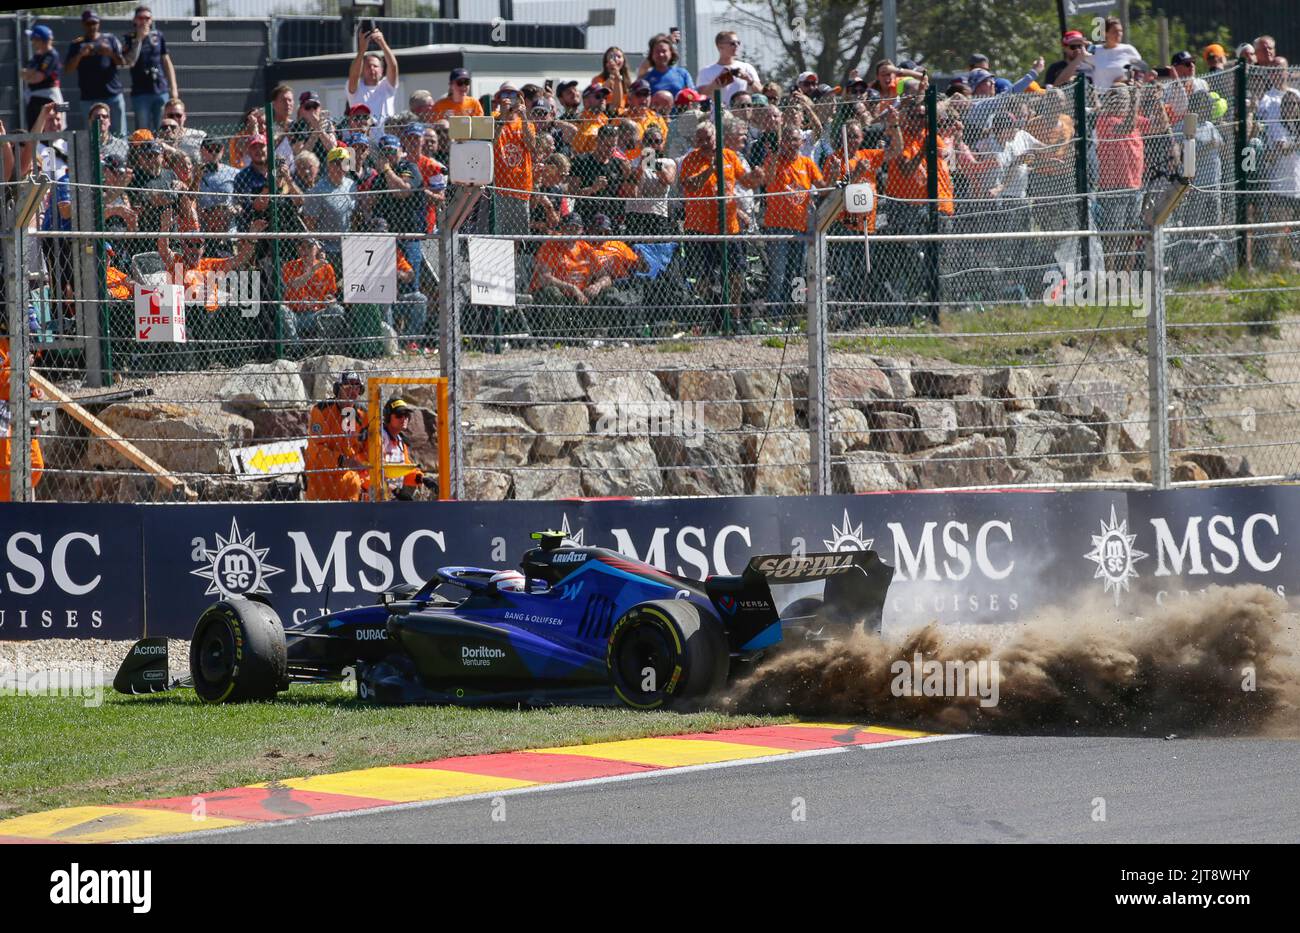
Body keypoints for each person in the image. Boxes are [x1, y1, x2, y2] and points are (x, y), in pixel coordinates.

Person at [760, 123, 822, 320]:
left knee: (797, 272)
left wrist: (835, 175)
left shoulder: (807, 163)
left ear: (802, 142)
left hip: (801, 227)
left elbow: (823, 186)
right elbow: (767, 180)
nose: (792, 144)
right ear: (782, 142)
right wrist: (775, 156)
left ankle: (794, 313)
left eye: (796, 140)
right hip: (777, 226)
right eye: (788, 140)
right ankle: (775, 315)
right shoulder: (773, 160)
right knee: (778, 273)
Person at [305, 370, 369, 501]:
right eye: (348, 386)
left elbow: (367, 448)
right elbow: (316, 450)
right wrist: (342, 461)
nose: (353, 391)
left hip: (350, 485)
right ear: (337, 389)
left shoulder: (362, 414)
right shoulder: (321, 410)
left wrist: (361, 464)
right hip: (322, 484)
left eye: (357, 387)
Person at [66, 9, 126, 134]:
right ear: (83, 24)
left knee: (119, 132)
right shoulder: (77, 44)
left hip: (112, 94)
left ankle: (119, 154)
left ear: (99, 23)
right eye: (89, 23)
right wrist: (80, 55)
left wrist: (109, 52)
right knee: (92, 134)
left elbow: (122, 63)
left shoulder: (110, 39)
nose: (92, 26)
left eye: (95, 23)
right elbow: (68, 70)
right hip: (89, 97)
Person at [0, 336, 45, 502]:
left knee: (36, 465)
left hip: (20, 408)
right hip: (3, 407)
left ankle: (14, 502)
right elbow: (4, 379)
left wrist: (32, 389)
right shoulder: (2, 345)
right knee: (4, 465)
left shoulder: (22, 344)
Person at [121, 5, 177, 133]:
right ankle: (143, 153)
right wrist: (139, 39)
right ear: (135, 20)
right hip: (141, 92)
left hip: (160, 89)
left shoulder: (158, 36)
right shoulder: (129, 38)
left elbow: (167, 61)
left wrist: (173, 88)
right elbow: (129, 62)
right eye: (141, 18)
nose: (144, 21)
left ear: (151, 20)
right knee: (143, 130)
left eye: (147, 18)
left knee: (163, 128)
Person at [369, 398, 436, 500]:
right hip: (376, 497)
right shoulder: (380, 437)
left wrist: (422, 478)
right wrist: (396, 491)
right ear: (387, 417)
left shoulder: (400, 441)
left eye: (406, 415)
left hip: (391, 496)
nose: (404, 418)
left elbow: (406, 471)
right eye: (399, 415)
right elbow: (372, 472)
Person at [348, 24, 400, 125]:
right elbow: (353, 75)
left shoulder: (387, 86)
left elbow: (393, 67)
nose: (372, 69)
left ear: (382, 70)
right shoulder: (357, 87)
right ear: (362, 70)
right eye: (368, 66)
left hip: (386, 137)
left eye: (375, 66)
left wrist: (382, 42)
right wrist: (362, 49)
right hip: (362, 138)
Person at [696, 30, 762, 107]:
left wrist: (748, 79)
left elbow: (761, 92)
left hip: (742, 113)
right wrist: (718, 81)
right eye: (732, 43)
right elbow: (701, 96)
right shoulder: (706, 71)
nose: (736, 45)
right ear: (720, 46)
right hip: (718, 116)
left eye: (738, 43)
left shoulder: (746, 67)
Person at [22, 24, 63, 131]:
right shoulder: (37, 56)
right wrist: (30, 74)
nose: (32, 42)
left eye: (34, 39)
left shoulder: (51, 55)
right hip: (34, 97)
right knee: (34, 128)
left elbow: (37, 78)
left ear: (41, 40)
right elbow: (23, 74)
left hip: (48, 97)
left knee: (52, 126)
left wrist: (30, 74)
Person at [1089, 17, 1144, 92]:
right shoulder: (1095, 50)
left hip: (1124, 96)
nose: (1119, 34)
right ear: (1105, 33)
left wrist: (1134, 79)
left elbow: (1141, 69)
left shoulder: (1128, 49)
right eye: (1115, 31)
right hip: (1101, 97)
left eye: (1120, 31)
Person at [639, 33, 694, 98]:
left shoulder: (682, 74)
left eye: (664, 51)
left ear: (671, 52)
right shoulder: (646, 77)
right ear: (652, 54)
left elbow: (692, 96)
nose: (661, 54)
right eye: (657, 51)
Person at [593, 46, 632, 113]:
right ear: (606, 61)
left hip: (622, 116)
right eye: (611, 57)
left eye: (619, 57)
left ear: (623, 60)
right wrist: (613, 76)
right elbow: (597, 93)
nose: (616, 59)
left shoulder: (627, 81)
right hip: (606, 113)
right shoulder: (598, 79)